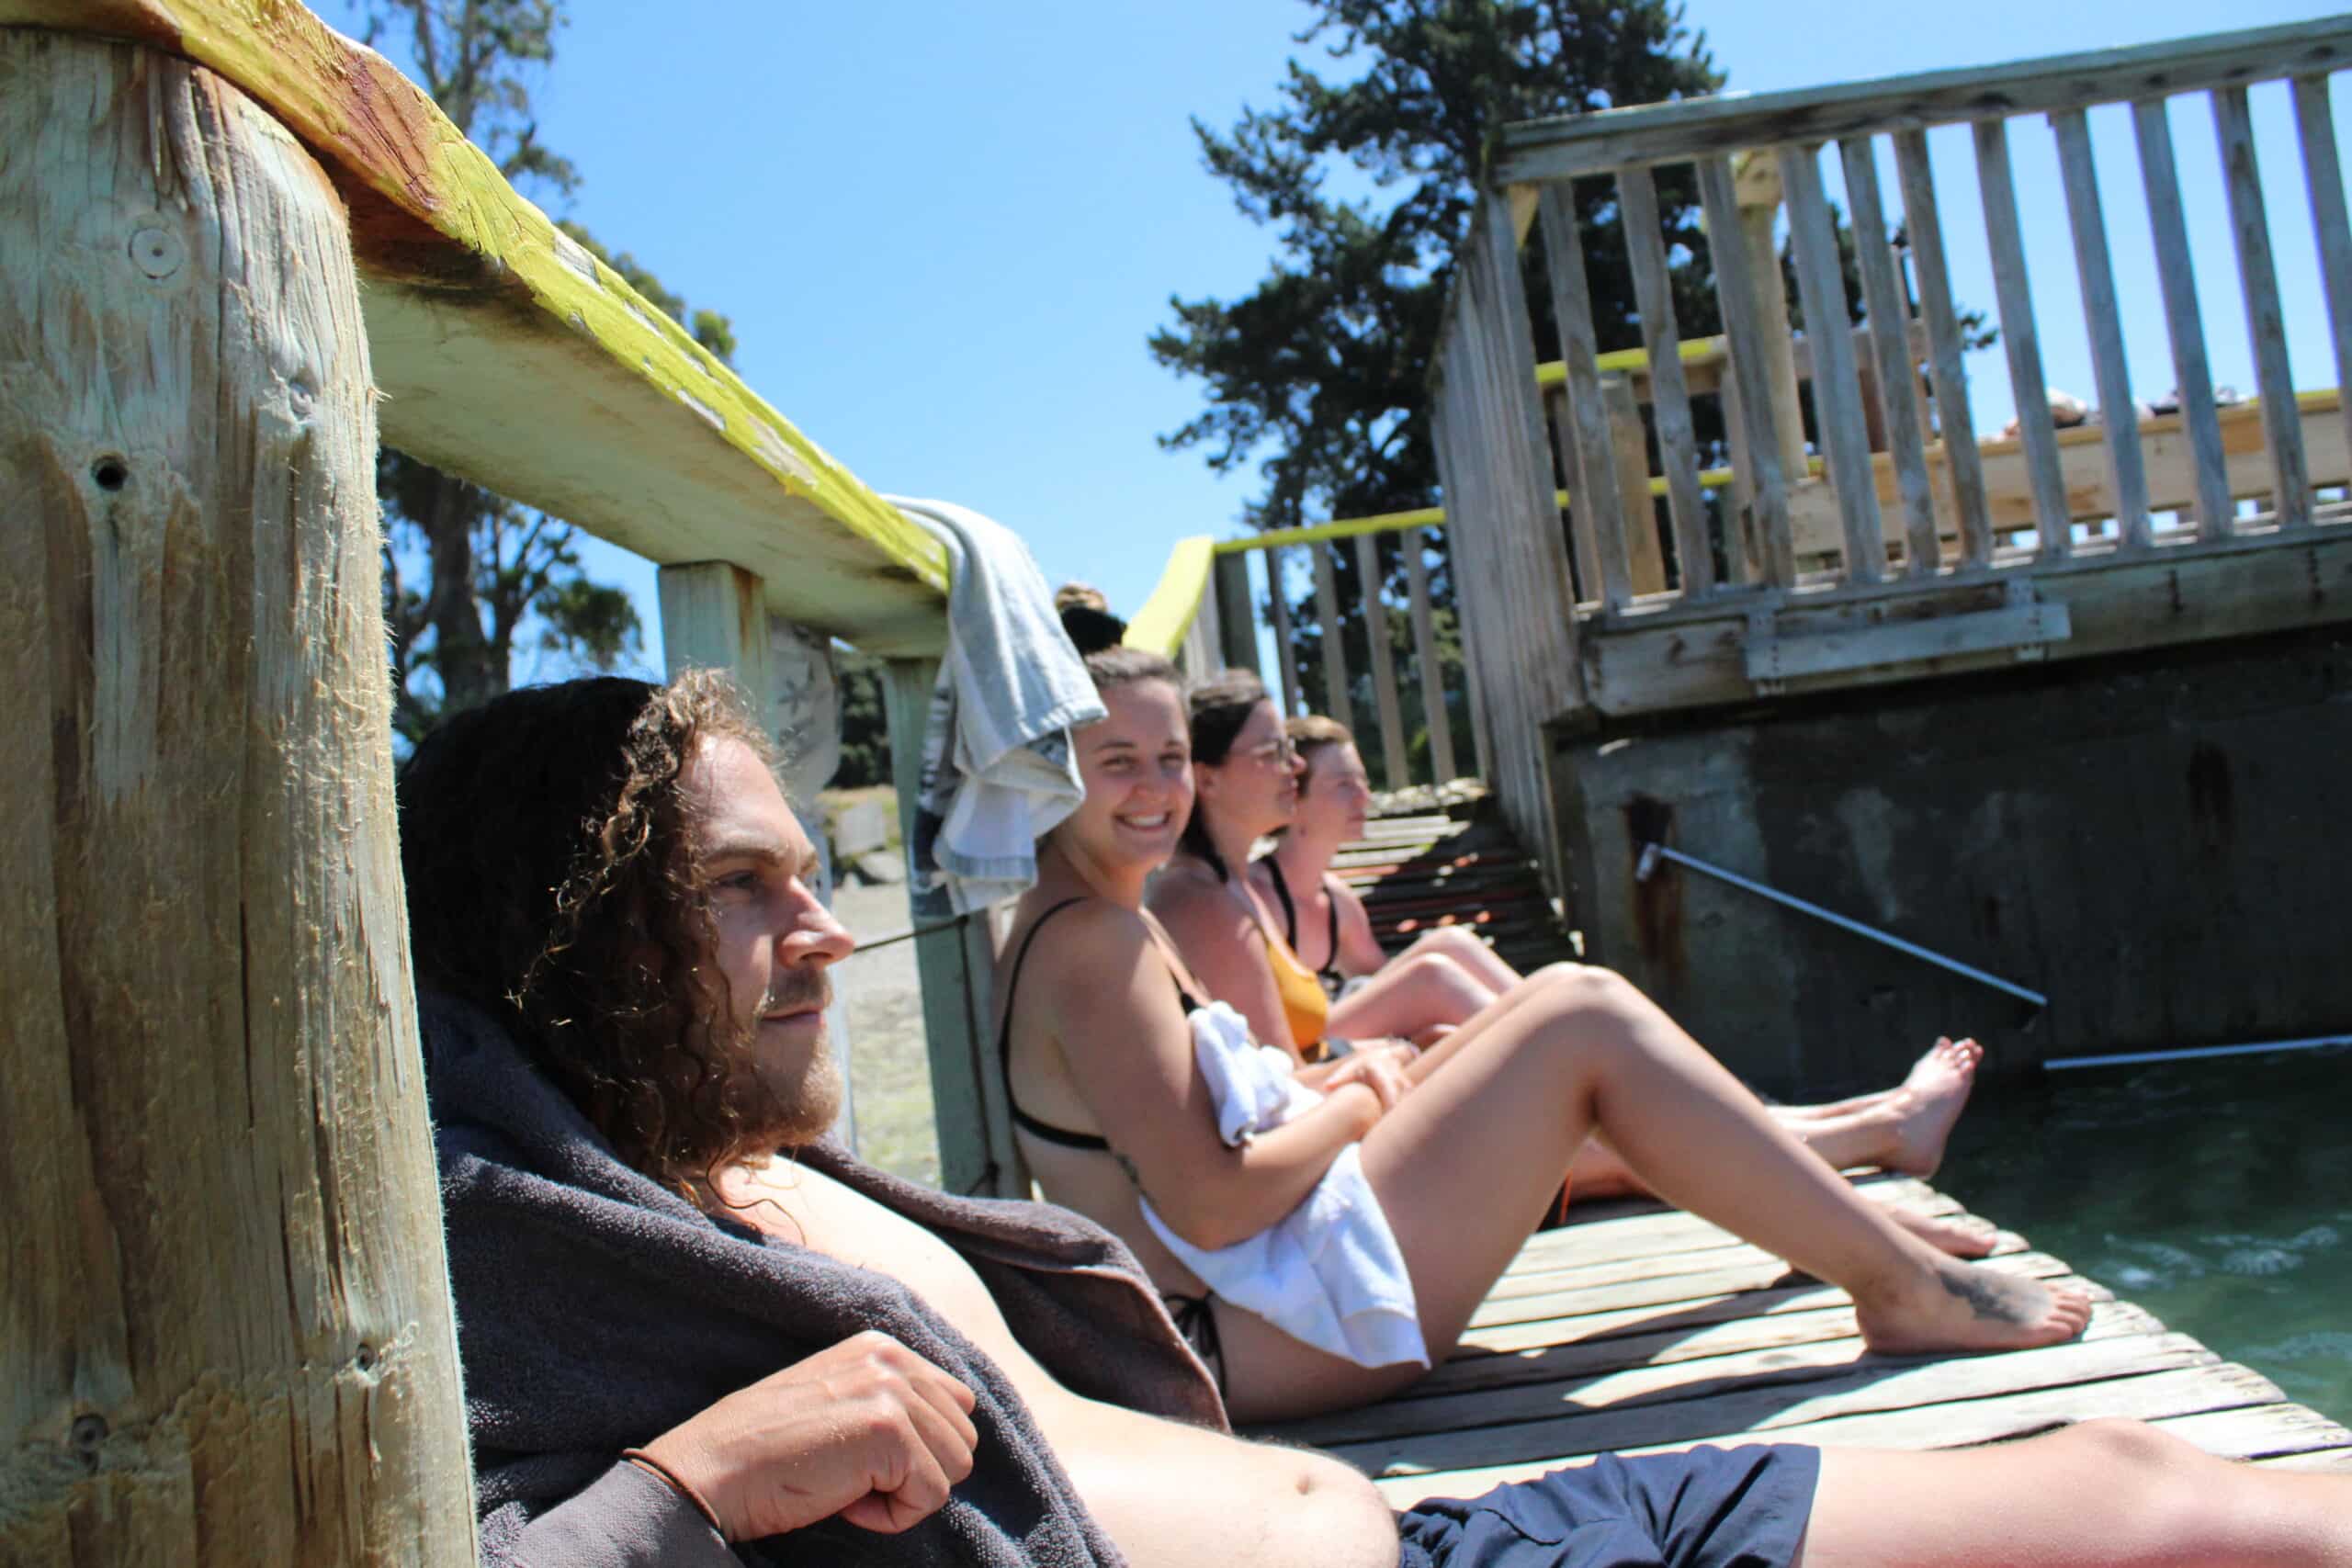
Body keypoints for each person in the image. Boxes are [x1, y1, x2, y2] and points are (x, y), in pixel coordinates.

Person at [404, 672, 2352, 1568]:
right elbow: (1206, 1184)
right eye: (743, 890)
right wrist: (700, 1483)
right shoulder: (533, 1258)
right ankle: (1881, 1226)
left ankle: (1859, 1173)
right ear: (561, 936)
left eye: (1176, 761)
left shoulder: (742, 1169)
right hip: (1325, 1401)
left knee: (2120, 1478)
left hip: (1411, 1514)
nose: (825, 927)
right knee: (1574, 1014)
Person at [1245, 708, 1996, 1210]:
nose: (1365, 795)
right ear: (1295, 796)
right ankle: (1838, 1121)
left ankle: (1842, 1118)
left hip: (1378, 1086)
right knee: (1453, 967)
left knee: (1558, 1065)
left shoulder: (1335, 902)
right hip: (1351, 1101)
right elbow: (1278, 1054)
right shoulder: (1245, 895)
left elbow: (1367, 994)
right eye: (1344, 783)